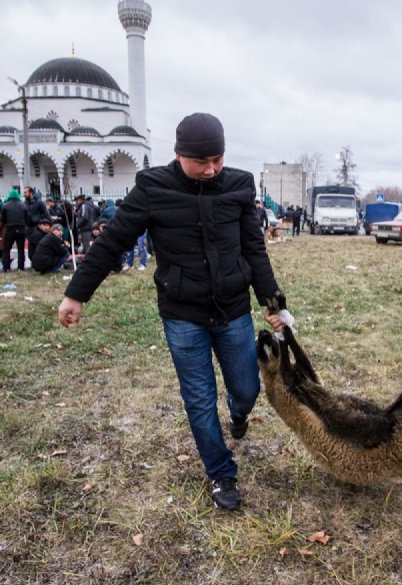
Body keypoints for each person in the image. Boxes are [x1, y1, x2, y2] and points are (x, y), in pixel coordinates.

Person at [58, 112, 287, 511]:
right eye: (202, 162)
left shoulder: (237, 185)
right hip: (183, 315)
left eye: (218, 159)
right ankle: (221, 472)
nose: (212, 169)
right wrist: (77, 293)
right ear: (179, 154)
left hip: (232, 310)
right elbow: (113, 242)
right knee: (199, 399)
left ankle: (238, 414)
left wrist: (272, 303)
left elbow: (254, 248)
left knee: (247, 388)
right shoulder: (153, 188)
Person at [0, 189, 29, 271]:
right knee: (21, 249)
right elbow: (27, 219)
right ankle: (21, 267)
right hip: (21, 229)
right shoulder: (23, 206)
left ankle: (6, 267)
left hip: (10, 229)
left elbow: (2, 220)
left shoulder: (5, 206)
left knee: (6, 249)